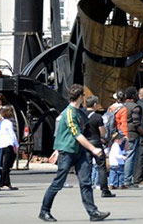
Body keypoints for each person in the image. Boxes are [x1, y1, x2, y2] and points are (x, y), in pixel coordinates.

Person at [39, 84, 109, 222]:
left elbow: (86, 130)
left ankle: (93, 212)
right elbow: (76, 134)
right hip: (68, 151)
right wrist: (93, 149)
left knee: (86, 182)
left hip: (79, 151)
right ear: (80, 97)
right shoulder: (69, 112)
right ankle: (44, 211)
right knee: (58, 182)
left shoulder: (80, 112)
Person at [83, 96, 115, 198]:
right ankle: (104, 190)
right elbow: (102, 131)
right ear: (94, 105)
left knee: (87, 165)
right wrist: (104, 137)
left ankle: (86, 187)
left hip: (85, 142)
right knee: (101, 165)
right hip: (96, 141)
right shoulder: (97, 117)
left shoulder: (81, 115)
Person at [121, 87, 142, 188]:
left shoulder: (121, 106)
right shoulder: (135, 107)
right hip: (131, 135)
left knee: (120, 157)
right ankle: (127, 180)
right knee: (130, 157)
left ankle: (119, 179)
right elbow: (136, 124)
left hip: (120, 134)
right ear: (133, 96)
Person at [0, 105, 18, 191]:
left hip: (2, 144)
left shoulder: (2, 122)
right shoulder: (8, 123)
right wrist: (16, 145)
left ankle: (7, 182)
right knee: (7, 165)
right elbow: (12, 134)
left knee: (4, 165)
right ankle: (3, 183)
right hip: (8, 144)